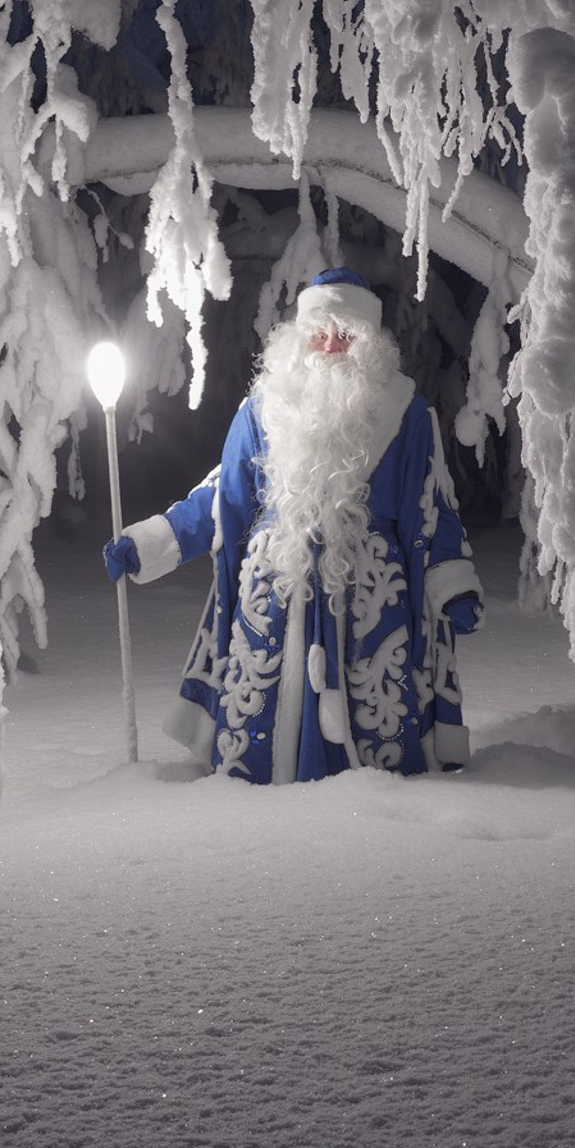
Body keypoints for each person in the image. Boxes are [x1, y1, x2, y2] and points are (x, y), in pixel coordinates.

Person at [103, 269, 483, 780]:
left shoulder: (407, 414)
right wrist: (153, 541)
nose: (329, 346)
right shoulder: (264, 409)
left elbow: (431, 505)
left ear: (368, 344)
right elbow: (223, 497)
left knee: (377, 721)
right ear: (300, 338)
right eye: (319, 333)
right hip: (277, 590)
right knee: (263, 723)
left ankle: (372, 799)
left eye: (344, 334)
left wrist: (452, 584)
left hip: (372, 599)